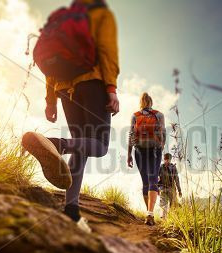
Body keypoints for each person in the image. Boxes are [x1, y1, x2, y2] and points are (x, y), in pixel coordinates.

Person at [22, 0, 119, 233]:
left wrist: (50, 100)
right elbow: (107, 51)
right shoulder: (100, 14)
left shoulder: (63, 17)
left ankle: (71, 210)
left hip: (64, 89)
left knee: (81, 147)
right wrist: (112, 89)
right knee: (101, 146)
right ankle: (57, 144)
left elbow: (52, 68)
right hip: (93, 83)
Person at [127, 93, 166, 226]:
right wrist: (161, 146)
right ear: (151, 102)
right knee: (153, 179)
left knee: (145, 182)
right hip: (155, 149)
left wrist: (129, 154)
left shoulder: (135, 115)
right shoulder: (159, 115)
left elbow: (131, 135)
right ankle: (150, 213)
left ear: (141, 103)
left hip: (139, 150)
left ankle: (149, 213)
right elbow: (163, 134)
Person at [158, 153, 182, 219]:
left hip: (171, 189)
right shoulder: (160, 167)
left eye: (168, 159)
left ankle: (173, 219)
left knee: (173, 204)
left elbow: (176, 179)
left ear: (170, 160)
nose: (166, 161)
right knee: (163, 204)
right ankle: (164, 219)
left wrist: (179, 190)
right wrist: (157, 188)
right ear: (163, 159)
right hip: (163, 188)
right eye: (165, 159)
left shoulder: (173, 167)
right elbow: (157, 178)